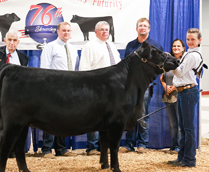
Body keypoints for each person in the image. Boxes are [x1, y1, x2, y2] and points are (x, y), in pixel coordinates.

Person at [0, 30, 29, 158]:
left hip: (15, 98)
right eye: (10, 40)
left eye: (15, 40)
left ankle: (12, 150)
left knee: (13, 123)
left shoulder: (23, 58)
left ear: (18, 42)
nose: (12, 43)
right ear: (5, 40)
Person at [119, 18, 162, 154]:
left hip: (145, 87)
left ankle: (142, 143)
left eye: (145, 26)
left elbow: (159, 67)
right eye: (140, 26)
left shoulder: (155, 46)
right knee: (130, 114)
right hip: (131, 86)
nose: (142, 28)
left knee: (143, 114)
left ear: (149, 29)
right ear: (136, 28)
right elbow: (125, 65)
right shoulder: (130, 45)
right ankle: (129, 144)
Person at [79, 21, 121, 155]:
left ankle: (105, 147)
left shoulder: (112, 46)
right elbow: (84, 69)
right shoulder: (89, 46)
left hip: (112, 88)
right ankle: (92, 147)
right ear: (95, 32)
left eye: (106, 30)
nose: (104, 32)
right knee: (94, 117)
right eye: (101, 30)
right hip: (96, 88)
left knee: (108, 118)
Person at [39, 22, 79, 158]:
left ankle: (61, 148)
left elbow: (76, 69)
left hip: (69, 88)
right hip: (54, 87)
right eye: (63, 30)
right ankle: (47, 149)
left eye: (68, 30)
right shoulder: (50, 47)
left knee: (64, 118)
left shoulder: (73, 49)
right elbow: (45, 68)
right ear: (58, 31)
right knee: (50, 118)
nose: (66, 33)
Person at [168, 28, 204, 167]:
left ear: (199, 40)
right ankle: (182, 157)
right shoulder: (188, 54)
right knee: (183, 128)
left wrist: (169, 62)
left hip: (188, 92)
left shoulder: (193, 55)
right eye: (188, 39)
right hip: (184, 92)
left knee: (188, 128)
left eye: (193, 39)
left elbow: (179, 73)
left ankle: (189, 160)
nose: (190, 42)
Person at [160, 39, 185, 154]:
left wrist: (174, 87)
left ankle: (180, 147)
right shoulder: (167, 61)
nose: (176, 48)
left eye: (178, 46)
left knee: (180, 123)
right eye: (174, 46)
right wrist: (165, 86)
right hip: (168, 95)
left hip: (179, 95)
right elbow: (162, 77)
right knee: (173, 123)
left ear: (183, 48)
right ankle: (174, 146)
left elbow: (185, 78)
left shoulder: (184, 61)